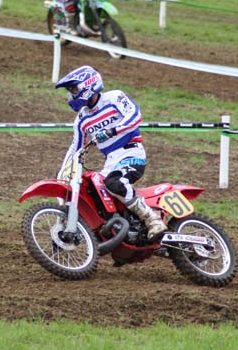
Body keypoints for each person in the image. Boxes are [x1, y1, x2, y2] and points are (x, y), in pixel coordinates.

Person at [55, 65, 167, 241]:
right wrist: (63, 171)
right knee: (92, 188)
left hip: (132, 153)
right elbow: (75, 147)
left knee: (114, 182)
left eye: (74, 89)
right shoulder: (82, 120)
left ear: (88, 84)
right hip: (111, 161)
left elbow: (135, 116)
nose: (71, 95)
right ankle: (117, 226)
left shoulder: (114, 97)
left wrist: (114, 130)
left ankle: (152, 219)